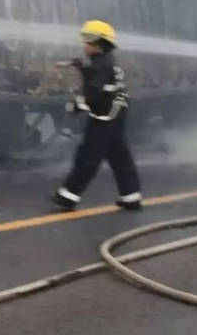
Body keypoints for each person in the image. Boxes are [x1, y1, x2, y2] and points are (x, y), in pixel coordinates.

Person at [50, 20, 143, 211]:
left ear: (98, 44)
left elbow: (94, 93)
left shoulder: (99, 65)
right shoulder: (106, 61)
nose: (84, 46)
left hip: (105, 116)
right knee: (119, 155)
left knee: (88, 155)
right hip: (116, 114)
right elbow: (95, 74)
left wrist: (76, 105)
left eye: (88, 42)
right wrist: (77, 65)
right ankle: (131, 194)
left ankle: (69, 195)